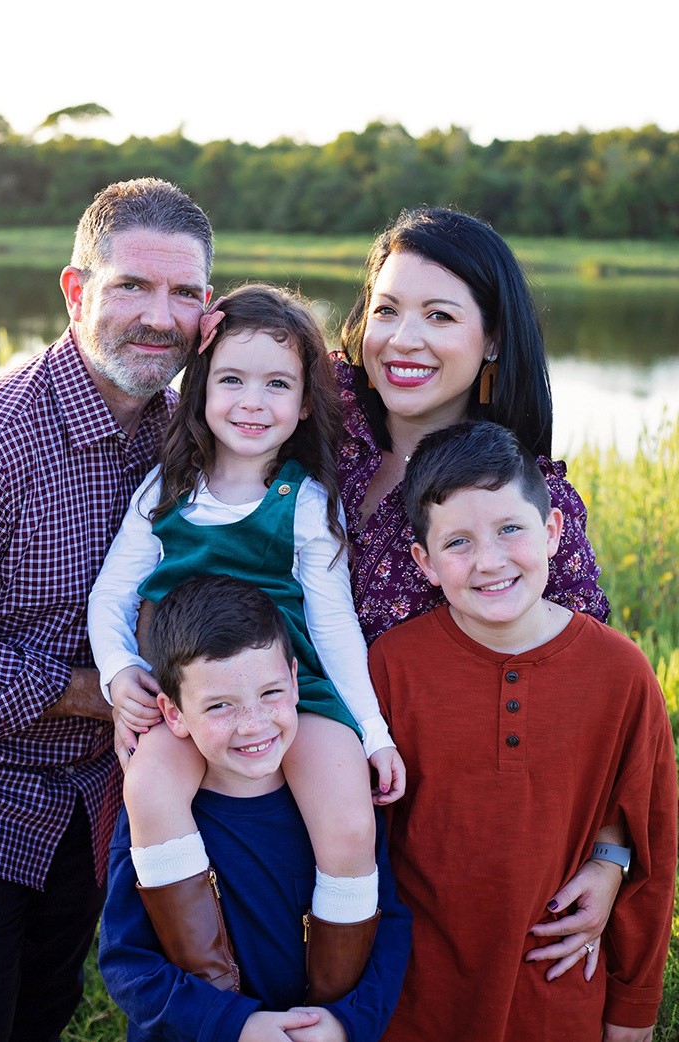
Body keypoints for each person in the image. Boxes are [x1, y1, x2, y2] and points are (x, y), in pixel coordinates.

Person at [0, 176, 214, 1042]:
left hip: (87, 801)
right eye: (132, 285)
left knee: (41, 1017)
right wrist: (99, 691)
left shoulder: (182, 433)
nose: (157, 315)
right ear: (77, 290)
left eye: (183, 293)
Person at [88, 282, 406, 998]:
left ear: (302, 404)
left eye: (277, 384)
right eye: (231, 379)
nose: (252, 402)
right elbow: (112, 596)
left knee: (350, 820)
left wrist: (373, 731)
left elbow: (333, 627)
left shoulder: (303, 502)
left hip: (298, 692)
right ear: (200, 389)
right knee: (150, 786)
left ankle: (326, 1004)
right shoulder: (166, 490)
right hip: (194, 704)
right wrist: (118, 674)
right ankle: (217, 987)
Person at [333, 205, 624, 974]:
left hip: (444, 851)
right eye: (387, 310)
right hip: (287, 796)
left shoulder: (524, 509)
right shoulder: (314, 434)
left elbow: (596, 702)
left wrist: (609, 856)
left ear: (491, 338)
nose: (405, 339)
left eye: (440, 315)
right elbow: (227, 372)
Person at [368, 419, 677, 1042]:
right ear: (424, 564)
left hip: (556, 995)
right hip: (414, 1000)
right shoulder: (392, 666)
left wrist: (633, 1011)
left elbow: (651, 845)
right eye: (458, 542)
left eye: (511, 529)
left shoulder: (620, 673)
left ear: (554, 531)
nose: (489, 561)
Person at [99, 574, 412, 1041]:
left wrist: (346, 1023)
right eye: (220, 706)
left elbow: (389, 926)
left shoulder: (336, 802)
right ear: (173, 714)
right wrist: (234, 1025)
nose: (253, 725)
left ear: (293, 679)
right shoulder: (158, 816)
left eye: (270, 694)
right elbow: (128, 963)